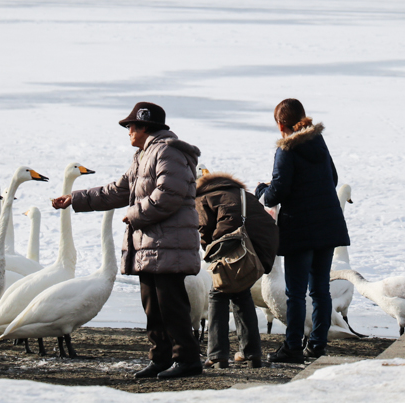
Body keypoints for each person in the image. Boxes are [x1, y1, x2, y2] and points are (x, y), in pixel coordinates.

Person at [51, 102, 203, 380]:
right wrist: (76, 198)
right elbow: (118, 190)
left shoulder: (169, 152)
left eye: (131, 126)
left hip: (170, 245)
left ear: (145, 126)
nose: (128, 131)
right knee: (152, 306)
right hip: (150, 245)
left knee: (171, 305)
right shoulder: (142, 156)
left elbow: (169, 194)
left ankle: (187, 360)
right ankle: (161, 359)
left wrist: (134, 215)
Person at [255, 98, 349, 363]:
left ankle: (293, 347)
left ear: (280, 124)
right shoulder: (318, 142)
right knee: (320, 289)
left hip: (300, 228)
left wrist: (262, 190)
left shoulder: (286, 149)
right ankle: (317, 344)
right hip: (328, 224)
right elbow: (333, 178)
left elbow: (277, 193)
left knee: (295, 292)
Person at [195, 171, 279, 369]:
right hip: (258, 253)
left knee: (218, 293)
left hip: (235, 251)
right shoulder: (244, 195)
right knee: (241, 293)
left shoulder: (202, 197)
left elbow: (204, 229)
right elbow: (263, 223)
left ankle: (217, 355)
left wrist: (209, 251)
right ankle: (252, 354)